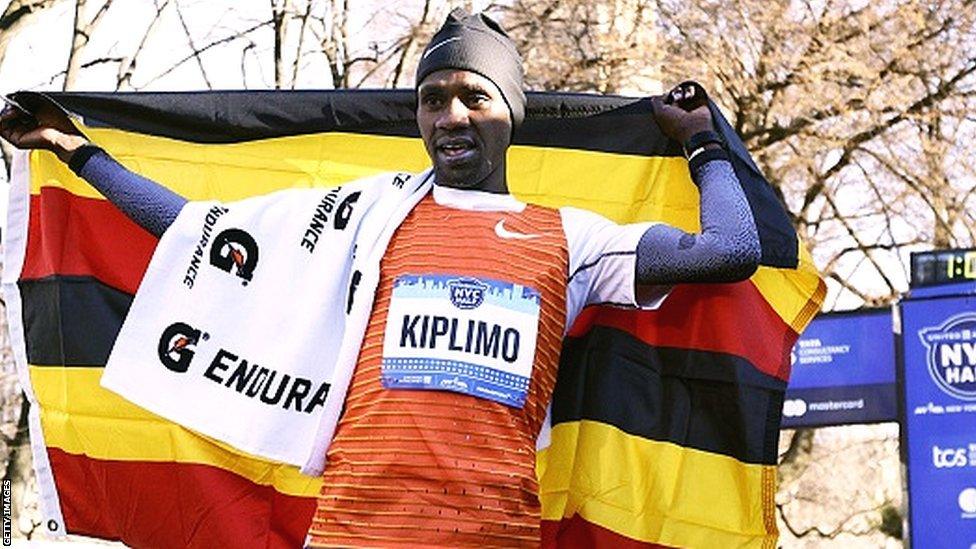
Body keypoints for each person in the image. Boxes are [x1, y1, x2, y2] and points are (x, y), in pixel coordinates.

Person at [1, 9, 760, 548]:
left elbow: (729, 249)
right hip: (353, 532)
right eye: (433, 101)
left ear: (511, 115)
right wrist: (75, 150)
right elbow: (197, 233)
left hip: (490, 533)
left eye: (475, 97)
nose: (452, 116)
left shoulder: (570, 235)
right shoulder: (368, 215)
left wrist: (701, 142)